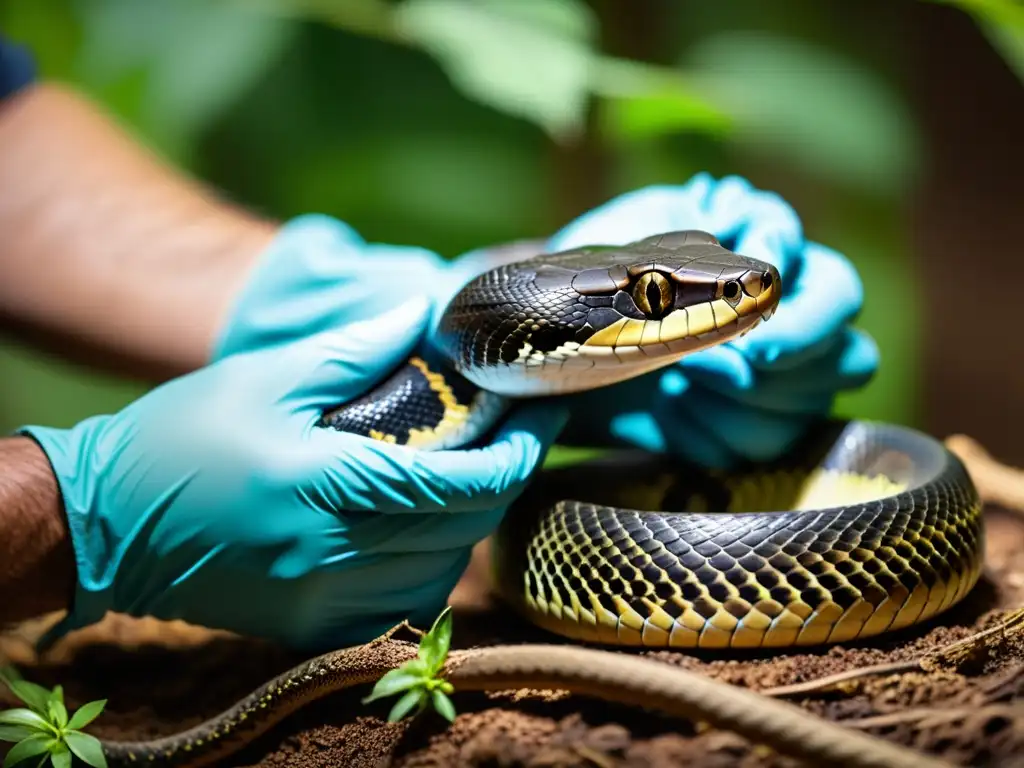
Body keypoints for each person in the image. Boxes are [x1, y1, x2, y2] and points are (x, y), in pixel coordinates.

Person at [0, 36, 877, 652]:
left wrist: (296, 292)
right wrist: (69, 512)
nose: (734, 290)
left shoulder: (502, 342)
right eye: (654, 297)